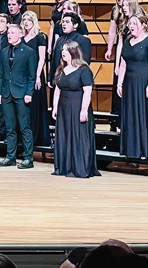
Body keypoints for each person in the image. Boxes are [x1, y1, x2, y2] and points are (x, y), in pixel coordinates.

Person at [119, 14, 148, 158]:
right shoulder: (128, 41)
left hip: (144, 83)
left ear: (144, 25)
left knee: (143, 115)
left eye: (134, 23)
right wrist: (120, 83)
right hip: (129, 85)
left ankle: (146, 150)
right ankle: (132, 150)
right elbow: (123, 64)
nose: (131, 26)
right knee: (131, 115)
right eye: (130, 23)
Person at [51, 42, 99, 178]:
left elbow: (87, 91)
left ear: (74, 52)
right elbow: (57, 90)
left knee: (78, 136)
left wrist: (84, 110)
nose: (63, 52)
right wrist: (55, 107)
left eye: (66, 50)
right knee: (64, 136)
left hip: (78, 106)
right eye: (62, 50)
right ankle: (64, 167)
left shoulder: (84, 70)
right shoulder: (61, 70)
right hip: (64, 109)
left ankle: (79, 167)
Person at [0, 22, 37, 169]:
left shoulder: (29, 52)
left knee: (24, 126)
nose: (9, 35)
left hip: (21, 93)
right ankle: (10, 157)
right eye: (8, 33)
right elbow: (0, 74)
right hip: (6, 93)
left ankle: (28, 158)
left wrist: (29, 93)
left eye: (12, 33)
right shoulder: (4, 51)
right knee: (10, 127)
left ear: (20, 34)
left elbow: (32, 76)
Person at [21, 11, 50, 148]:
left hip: (36, 75)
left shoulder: (40, 37)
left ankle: (36, 137)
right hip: (23, 76)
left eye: (29, 20)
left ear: (34, 21)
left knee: (35, 106)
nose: (26, 22)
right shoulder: (21, 37)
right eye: (24, 20)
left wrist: (37, 75)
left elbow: (42, 58)